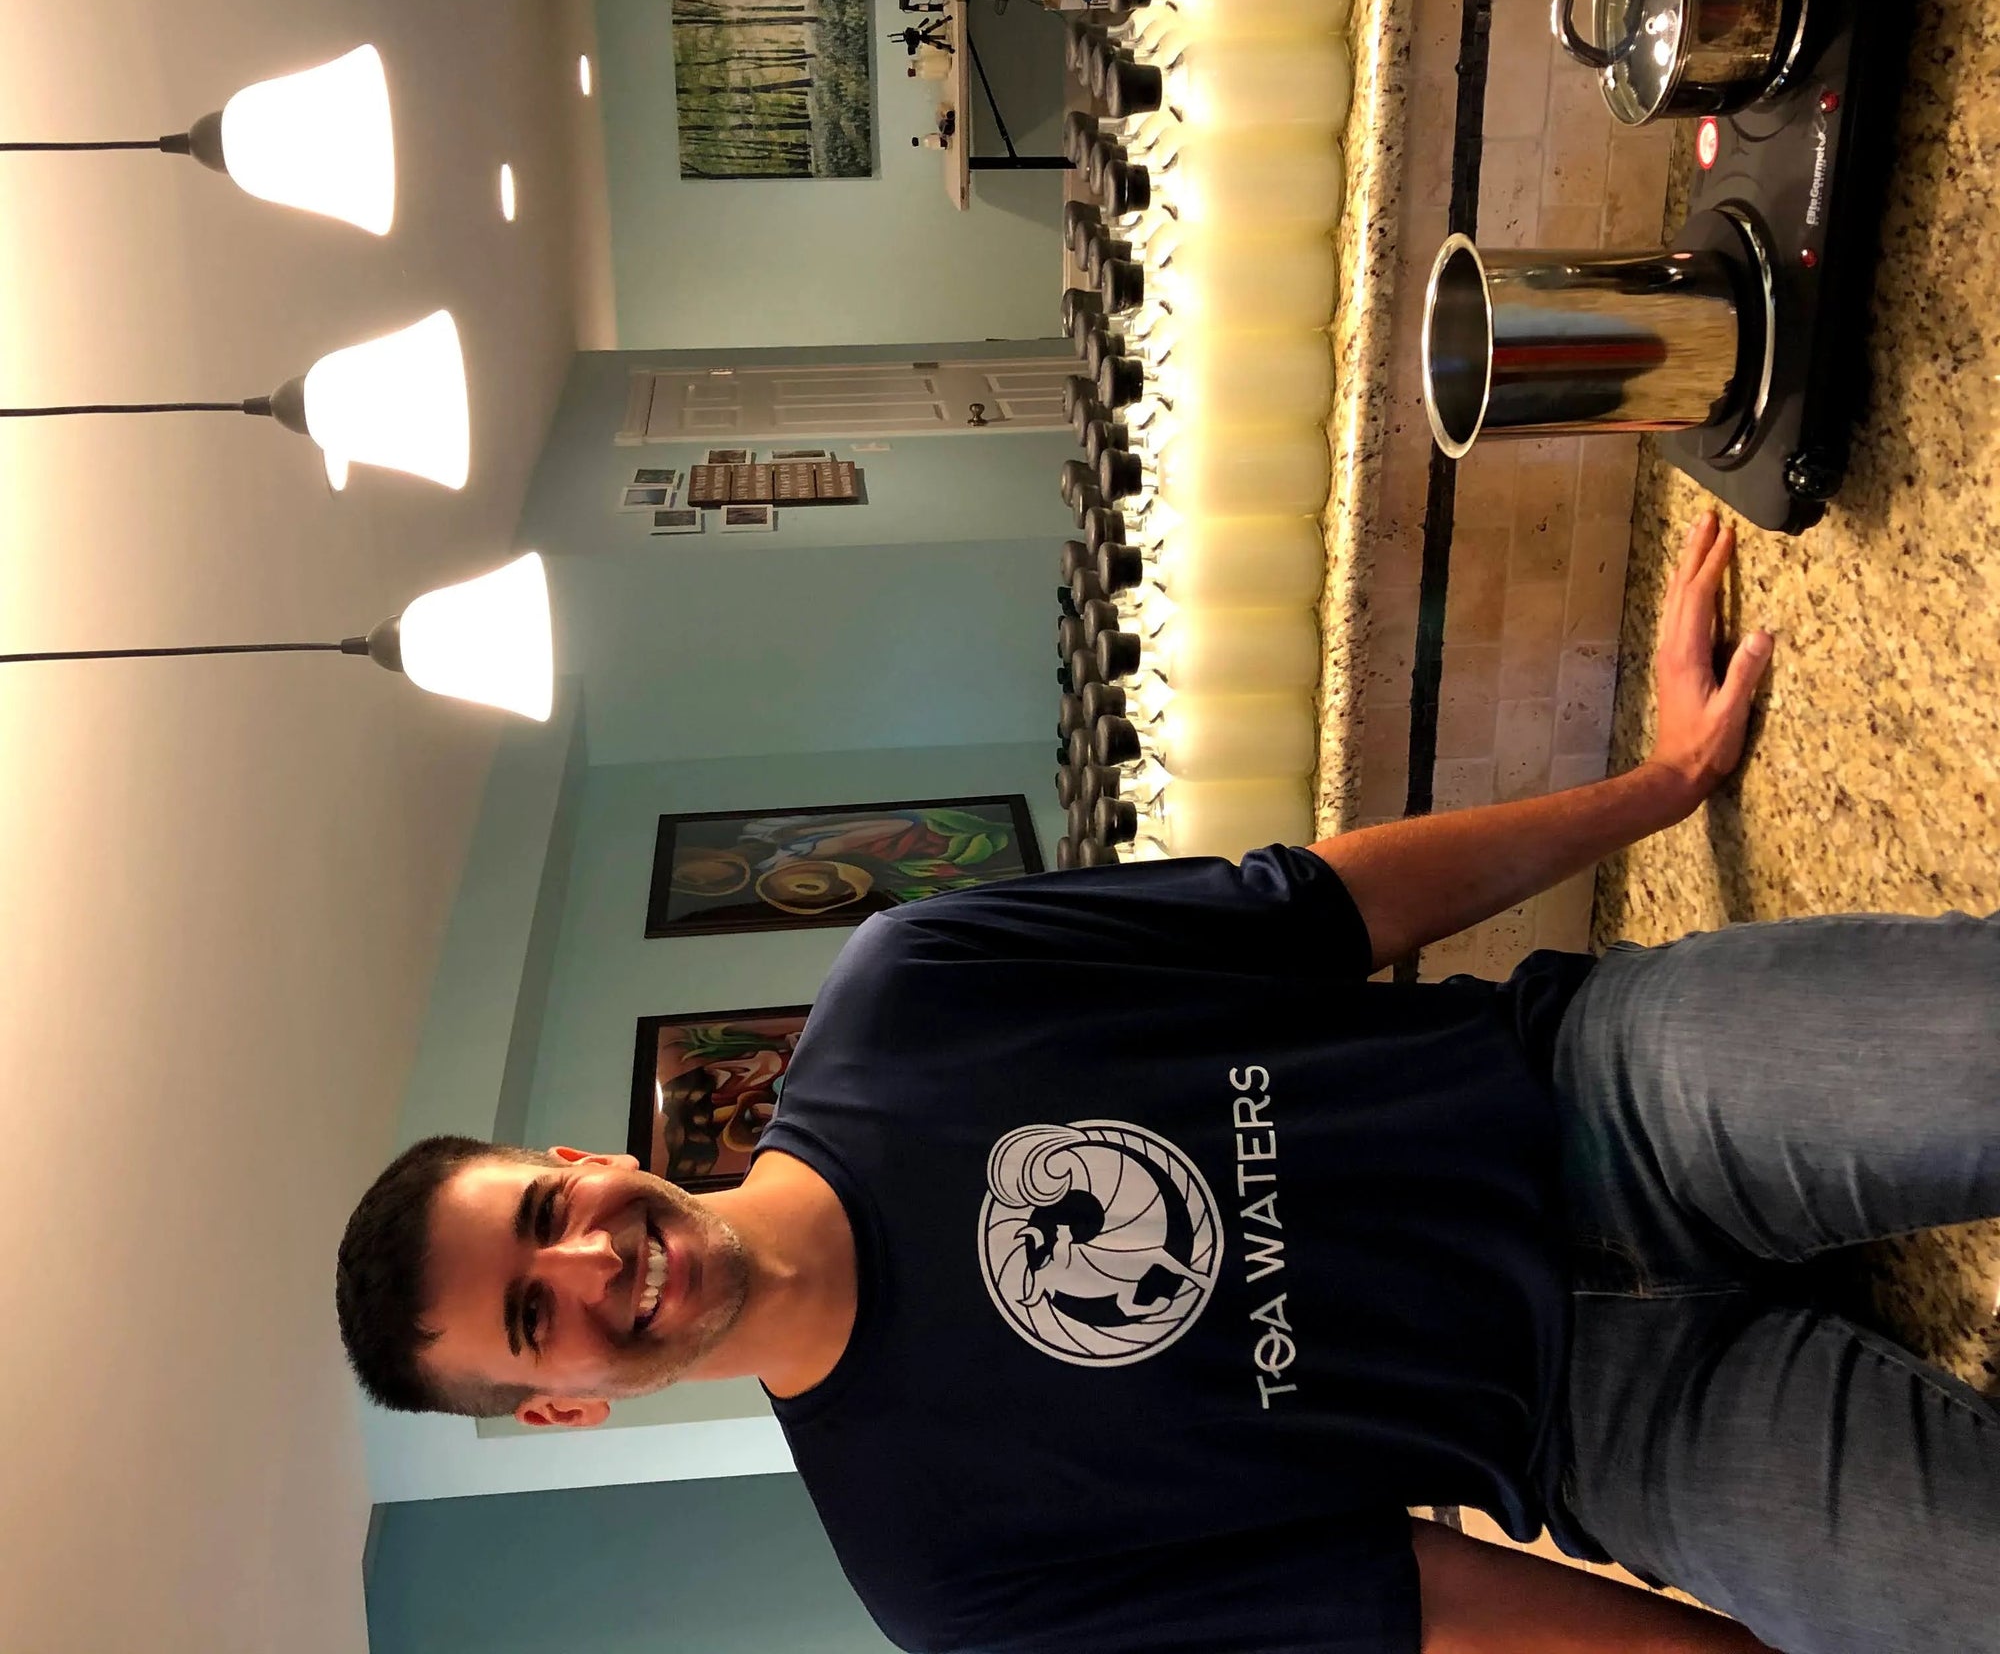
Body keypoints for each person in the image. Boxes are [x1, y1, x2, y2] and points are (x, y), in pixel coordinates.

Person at [336, 511, 2000, 1654]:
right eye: (532, 1316)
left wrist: (1652, 790)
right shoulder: (941, 1573)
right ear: (554, 1406)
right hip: (1616, 1436)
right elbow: (1422, 1607)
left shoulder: (902, 993)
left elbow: (1324, 904)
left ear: (570, 1157)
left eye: (541, 1213)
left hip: (1609, 1098)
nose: (587, 1262)